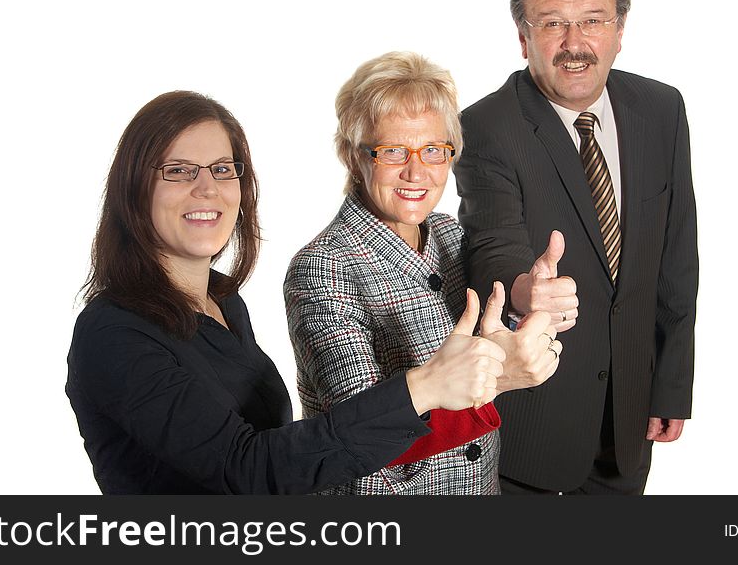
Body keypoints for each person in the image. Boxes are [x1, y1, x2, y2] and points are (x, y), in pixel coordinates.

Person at [66, 90, 514, 495]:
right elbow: (247, 470)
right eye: (178, 171)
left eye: (223, 169)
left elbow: (296, 452)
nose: (207, 188)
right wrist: (423, 387)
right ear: (133, 189)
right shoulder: (113, 333)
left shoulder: (223, 303)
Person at [455, 0, 698, 495]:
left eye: (592, 21)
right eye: (552, 25)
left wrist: (670, 383)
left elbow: (676, 259)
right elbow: (490, 242)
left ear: (619, 28)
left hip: (632, 417)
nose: (574, 45)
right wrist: (523, 291)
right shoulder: (485, 128)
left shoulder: (662, 110)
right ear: (523, 38)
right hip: (535, 424)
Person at [284, 52, 565, 495]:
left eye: (433, 150)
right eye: (393, 150)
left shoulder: (450, 236)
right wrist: (503, 376)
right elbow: (362, 437)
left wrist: (529, 310)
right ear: (351, 156)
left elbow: (485, 341)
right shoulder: (323, 267)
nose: (417, 171)